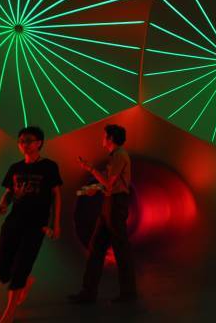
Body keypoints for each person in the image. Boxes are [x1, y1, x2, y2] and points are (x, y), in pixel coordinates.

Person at [0, 126, 62, 323]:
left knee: (21, 266)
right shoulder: (15, 168)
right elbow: (9, 193)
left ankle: (9, 312)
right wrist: (2, 206)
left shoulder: (49, 166)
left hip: (36, 225)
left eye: (29, 140)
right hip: (13, 222)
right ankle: (26, 281)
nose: (25, 144)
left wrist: (55, 224)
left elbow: (56, 195)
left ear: (39, 142)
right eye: (21, 141)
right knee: (0, 266)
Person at [69, 124, 137, 304]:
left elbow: (109, 183)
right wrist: (93, 188)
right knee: (96, 249)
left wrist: (90, 169)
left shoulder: (120, 155)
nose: (102, 139)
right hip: (110, 204)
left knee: (120, 251)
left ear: (111, 139)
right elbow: (109, 184)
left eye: (104, 136)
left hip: (115, 205)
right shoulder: (116, 156)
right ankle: (88, 292)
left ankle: (128, 294)